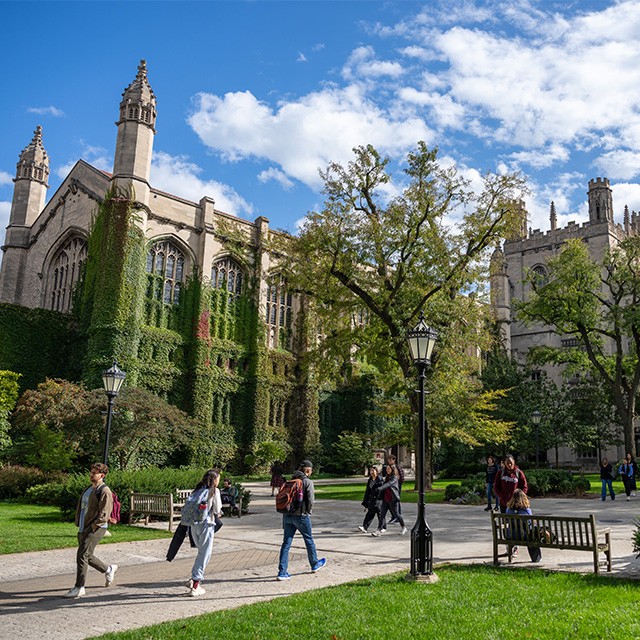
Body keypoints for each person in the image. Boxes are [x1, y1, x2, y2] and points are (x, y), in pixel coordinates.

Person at [64, 463, 118, 598]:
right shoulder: (88, 489)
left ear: (102, 475)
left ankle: (79, 586)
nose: (92, 474)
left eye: (95, 473)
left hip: (96, 528)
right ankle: (108, 569)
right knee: (87, 555)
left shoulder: (105, 491)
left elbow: (104, 514)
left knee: (81, 555)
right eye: (91, 472)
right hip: (84, 527)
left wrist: (92, 527)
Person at [277, 459, 326, 580]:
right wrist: (308, 512)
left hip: (287, 515)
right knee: (309, 540)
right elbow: (310, 500)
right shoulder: (307, 482)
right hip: (301, 516)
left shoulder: (291, 480)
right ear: (308, 470)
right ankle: (314, 564)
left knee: (286, 544)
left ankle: (282, 572)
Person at [181, 469, 222, 596]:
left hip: (194, 525)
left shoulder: (198, 490)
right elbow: (217, 508)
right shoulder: (214, 491)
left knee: (201, 552)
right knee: (205, 554)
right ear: (215, 479)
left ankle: (193, 579)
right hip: (207, 524)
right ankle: (195, 584)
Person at [505, 488, 541, 563]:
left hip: (511, 535)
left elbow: (507, 520)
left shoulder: (509, 509)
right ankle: (536, 558)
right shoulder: (526, 510)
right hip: (524, 536)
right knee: (533, 536)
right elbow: (530, 521)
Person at [372, 464, 407, 536]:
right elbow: (385, 484)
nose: (387, 470)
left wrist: (380, 488)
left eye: (388, 469)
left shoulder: (394, 477)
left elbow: (389, 484)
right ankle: (378, 530)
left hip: (393, 499)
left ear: (392, 469)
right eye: (386, 469)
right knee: (382, 515)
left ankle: (403, 527)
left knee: (396, 514)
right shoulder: (387, 477)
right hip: (386, 499)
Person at [358, 466, 383, 533]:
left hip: (378, 500)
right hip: (372, 500)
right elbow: (368, 491)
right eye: (371, 471)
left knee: (379, 514)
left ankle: (382, 527)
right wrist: (366, 502)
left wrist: (378, 498)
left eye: (373, 471)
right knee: (371, 514)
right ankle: (365, 527)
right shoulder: (370, 480)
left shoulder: (380, 480)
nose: (371, 472)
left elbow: (381, 490)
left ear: (377, 472)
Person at [387, 454, 404, 523]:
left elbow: (399, 477)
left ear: (394, 460)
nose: (389, 461)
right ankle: (394, 516)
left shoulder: (395, 467)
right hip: (391, 486)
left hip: (396, 486)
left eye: (390, 460)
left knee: (396, 501)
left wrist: (397, 484)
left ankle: (397, 516)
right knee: (390, 501)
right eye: (388, 460)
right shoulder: (390, 467)